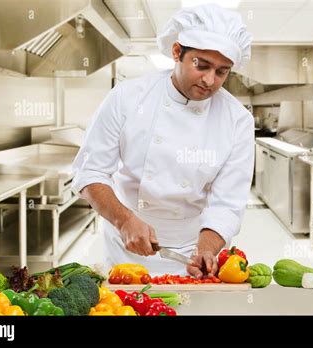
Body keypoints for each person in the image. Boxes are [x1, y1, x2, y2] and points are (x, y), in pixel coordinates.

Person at [71, 3, 254, 278]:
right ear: (177, 52)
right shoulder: (127, 97)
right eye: (201, 65)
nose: (209, 80)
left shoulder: (238, 120)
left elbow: (228, 203)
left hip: (195, 248)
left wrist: (206, 249)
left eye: (222, 72)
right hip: (127, 245)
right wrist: (124, 221)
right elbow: (90, 171)